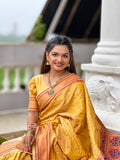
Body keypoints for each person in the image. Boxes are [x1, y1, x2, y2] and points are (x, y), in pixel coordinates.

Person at [0, 35, 120, 160]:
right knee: (7, 150)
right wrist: (30, 133)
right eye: (55, 54)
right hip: (40, 134)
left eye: (65, 56)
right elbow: (33, 112)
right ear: (47, 56)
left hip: (64, 140)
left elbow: (78, 121)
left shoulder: (76, 84)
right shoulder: (36, 81)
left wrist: (47, 130)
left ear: (69, 59)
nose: (59, 59)